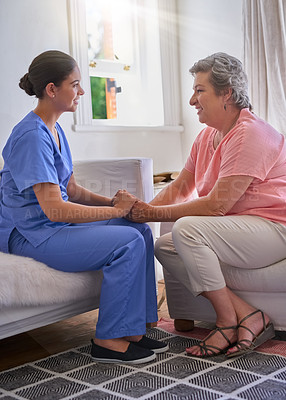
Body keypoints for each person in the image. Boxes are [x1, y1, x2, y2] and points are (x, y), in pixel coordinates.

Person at [0, 50, 169, 364]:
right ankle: (107, 340)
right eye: (75, 85)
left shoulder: (54, 129)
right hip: (29, 236)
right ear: (52, 89)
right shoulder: (31, 137)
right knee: (128, 240)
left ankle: (132, 329)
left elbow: (71, 189)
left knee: (139, 230)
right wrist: (115, 212)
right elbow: (56, 210)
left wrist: (116, 204)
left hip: (52, 229)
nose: (80, 92)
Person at [128, 52, 286, 358]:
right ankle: (249, 315)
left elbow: (216, 207)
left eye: (200, 91)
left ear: (226, 93)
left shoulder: (250, 133)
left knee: (186, 230)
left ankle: (227, 321)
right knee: (166, 245)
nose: (191, 100)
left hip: (275, 230)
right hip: (241, 232)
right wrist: (140, 210)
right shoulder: (206, 138)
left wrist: (149, 213)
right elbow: (179, 188)